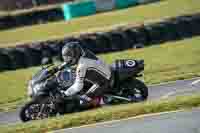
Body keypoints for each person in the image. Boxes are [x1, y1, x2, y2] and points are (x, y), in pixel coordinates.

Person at [61, 41, 112, 107]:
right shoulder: (85, 53)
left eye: (69, 57)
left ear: (75, 54)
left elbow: (78, 86)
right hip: (105, 70)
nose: (67, 60)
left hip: (103, 81)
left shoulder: (82, 66)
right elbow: (71, 62)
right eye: (66, 58)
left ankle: (105, 103)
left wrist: (65, 93)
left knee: (83, 101)